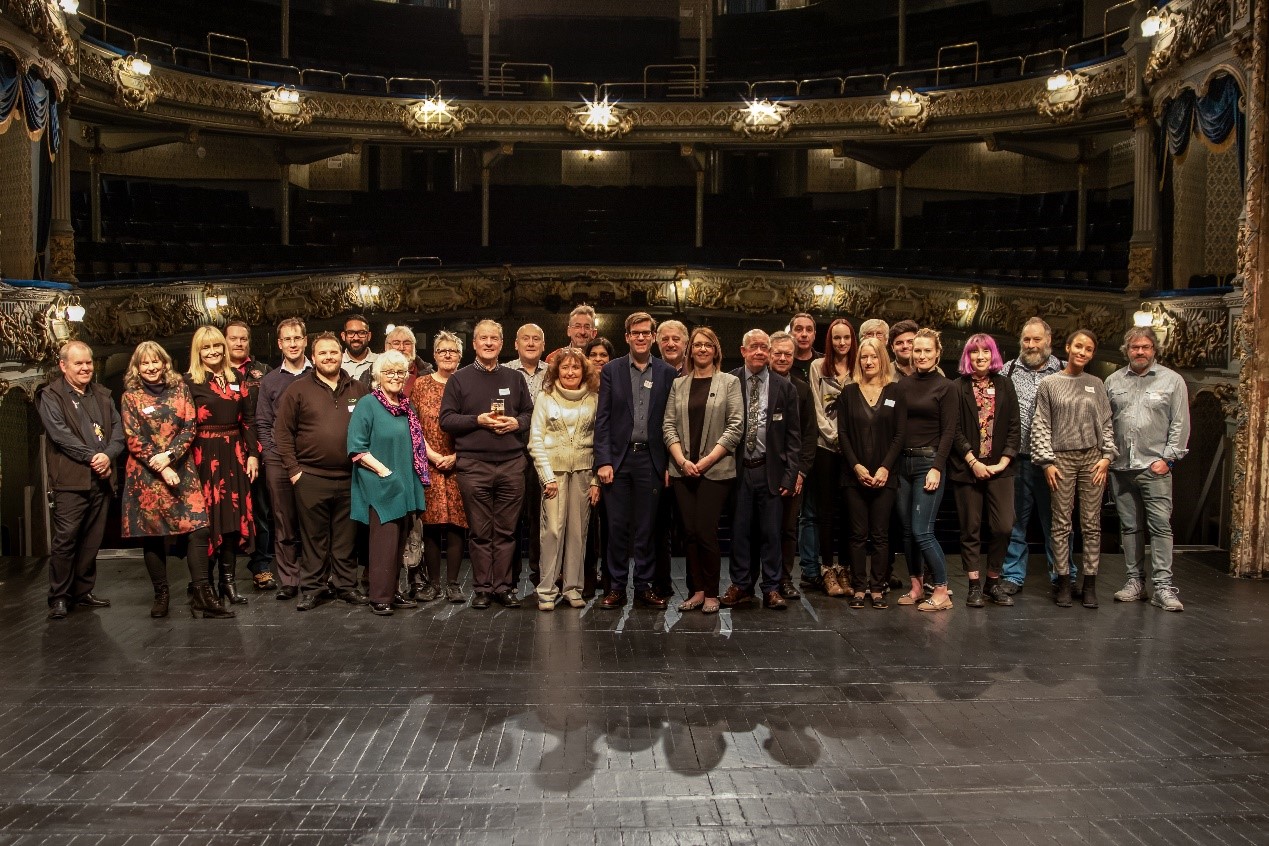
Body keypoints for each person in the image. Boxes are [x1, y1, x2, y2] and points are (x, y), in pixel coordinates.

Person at [119, 341, 223, 619]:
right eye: (145, 364)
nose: (151, 368)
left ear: (165, 363)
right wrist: (161, 465)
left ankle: (202, 593)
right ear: (137, 368)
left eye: (156, 362)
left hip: (180, 467)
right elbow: (133, 436)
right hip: (147, 474)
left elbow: (190, 427)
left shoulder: (180, 389)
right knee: (154, 535)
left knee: (198, 528)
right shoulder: (130, 396)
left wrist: (171, 456)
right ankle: (161, 594)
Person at [440, 319, 533, 609]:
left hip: (511, 464)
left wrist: (517, 422)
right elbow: (446, 420)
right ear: (475, 344)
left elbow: (531, 414)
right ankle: (482, 588)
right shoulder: (459, 379)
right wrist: (476, 420)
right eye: (483, 339)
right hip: (474, 466)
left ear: (502, 344)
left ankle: (503, 587)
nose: (489, 343)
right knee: (480, 532)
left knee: (506, 531)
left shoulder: (515, 378)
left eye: (494, 338)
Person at [274, 332, 371, 611]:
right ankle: (313, 588)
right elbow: (282, 433)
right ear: (313, 357)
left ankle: (345, 586)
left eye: (333, 352)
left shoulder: (358, 389)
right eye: (323, 353)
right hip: (310, 477)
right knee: (314, 537)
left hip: (351, 477)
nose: (329, 357)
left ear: (341, 355)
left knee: (346, 537)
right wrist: (294, 471)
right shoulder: (298, 389)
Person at [36, 340, 125, 620]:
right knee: (66, 540)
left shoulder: (102, 394)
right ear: (63, 366)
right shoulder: (50, 395)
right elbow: (60, 435)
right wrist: (93, 457)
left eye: (88, 362)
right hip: (71, 480)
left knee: (92, 538)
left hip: (102, 477)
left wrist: (107, 455)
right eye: (79, 363)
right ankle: (59, 597)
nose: (86, 368)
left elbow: (119, 432)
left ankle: (83, 591)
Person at [593, 312, 677, 610]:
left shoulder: (668, 373)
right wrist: (603, 461)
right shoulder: (611, 371)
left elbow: (672, 423)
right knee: (616, 528)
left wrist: (668, 464)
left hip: (651, 461)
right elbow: (601, 420)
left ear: (653, 336)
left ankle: (643, 586)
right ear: (627, 336)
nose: (641, 337)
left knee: (647, 528)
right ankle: (616, 587)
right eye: (635, 333)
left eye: (646, 333)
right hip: (618, 461)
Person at [1030, 328, 1117, 609]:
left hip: (1093, 458)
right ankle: (1063, 581)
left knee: (1091, 523)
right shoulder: (1050, 384)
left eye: (1088, 349)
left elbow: (1106, 422)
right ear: (1068, 347)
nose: (1082, 352)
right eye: (1078, 346)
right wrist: (1046, 461)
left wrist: (1106, 457)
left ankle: (1089, 583)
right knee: (1061, 524)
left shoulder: (1097, 383)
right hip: (1061, 459)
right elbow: (1041, 424)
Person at [1106, 327, 1191, 611]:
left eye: (1145, 347)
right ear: (1126, 350)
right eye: (1134, 347)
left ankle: (1164, 587)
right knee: (1130, 527)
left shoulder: (1172, 380)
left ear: (1154, 349)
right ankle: (1134, 582)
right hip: (1120, 467)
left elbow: (1179, 423)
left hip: (1154, 467)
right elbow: (1105, 423)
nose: (1139, 352)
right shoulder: (1113, 380)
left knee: (1160, 528)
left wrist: (1167, 459)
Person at [663, 327, 743, 614]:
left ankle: (712, 592)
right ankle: (696, 591)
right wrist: (681, 461)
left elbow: (735, 426)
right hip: (683, 469)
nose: (702, 349)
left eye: (707, 344)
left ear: (716, 349)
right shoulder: (679, 385)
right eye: (697, 345)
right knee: (690, 533)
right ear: (690, 350)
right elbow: (668, 425)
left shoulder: (730, 383)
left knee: (706, 531)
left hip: (716, 469)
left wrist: (707, 460)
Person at [723, 329, 801, 610]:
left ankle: (771, 588)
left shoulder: (784, 387)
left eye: (764, 348)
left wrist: (791, 475)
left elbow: (794, 437)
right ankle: (741, 585)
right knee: (740, 531)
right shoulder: (729, 381)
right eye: (753, 347)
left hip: (771, 471)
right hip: (738, 470)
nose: (759, 352)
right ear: (743, 351)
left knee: (771, 533)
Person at [349, 351, 430, 616]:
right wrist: (385, 473)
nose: (396, 377)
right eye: (390, 372)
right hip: (381, 483)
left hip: (405, 483)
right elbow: (356, 448)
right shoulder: (367, 405)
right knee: (384, 543)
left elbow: (417, 443)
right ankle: (379, 596)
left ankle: (393, 591)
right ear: (378, 376)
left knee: (399, 543)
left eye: (400, 372)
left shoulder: (407, 406)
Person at [186, 325, 259, 606]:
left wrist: (253, 454)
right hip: (203, 456)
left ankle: (227, 583)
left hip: (235, 455)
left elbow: (249, 420)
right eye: (206, 347)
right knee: (207, 523)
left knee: (231, 520)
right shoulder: (189, 381)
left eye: (217, 345)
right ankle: (202, 586)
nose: (213, 351)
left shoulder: (237, 377)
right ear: (198, 351)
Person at [949, 334, 1020, 608]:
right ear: (968, 357)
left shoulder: (1005, 385)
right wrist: (972, 461)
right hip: (967, 469)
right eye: (975, 352)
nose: (980, 357)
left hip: (1001, 468)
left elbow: (1014, 427)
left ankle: (993, 581)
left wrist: (1003, 462)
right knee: (971, 528)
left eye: (985, 352)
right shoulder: (957, 387)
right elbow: (953, 429)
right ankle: (974, 585)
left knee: (1003, 526)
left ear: (993, 356)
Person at [529, 348, 601, 611]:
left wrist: (596, 480)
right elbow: (535, 440)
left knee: (578, 533)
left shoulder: (594, 398)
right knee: (552, 531)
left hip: (583, 473)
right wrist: (547, 477)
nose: (570, 372)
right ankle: (547, 590)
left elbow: (600, 442)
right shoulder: (545, 398)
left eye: (576, 368)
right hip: (554, 475)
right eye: (565, 368)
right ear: (556, 371)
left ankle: (573, 588)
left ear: (584, 371)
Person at [837, 337, 905, 609]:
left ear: (882, 360)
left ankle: (877, 588)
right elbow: (842, 434)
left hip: (885, 474)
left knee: (880, 534)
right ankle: (859, 587)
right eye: (864, 357)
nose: (868, 361)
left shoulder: (895, 392)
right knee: (857, 534)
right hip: (854, 475)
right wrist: (856, 466)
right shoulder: (848, 392)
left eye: (873, 356)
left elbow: (900, 435)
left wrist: (885, 467)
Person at [1000, 317, 1066, 594]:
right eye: (1026, 340)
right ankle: (1012, 575)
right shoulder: (1008, 370)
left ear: (1048, 341)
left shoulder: (1064, 370)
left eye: (1036, 339)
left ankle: (1062, 575)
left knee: (1057, 521)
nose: (1031, 345)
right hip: (1019, 459)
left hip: (1054, 461)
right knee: (1015, 521)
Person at [892, 328, 956, 612]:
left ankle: (942, 590)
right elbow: (899, 428)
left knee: (922, 531)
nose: (921, 355)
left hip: (928, 464)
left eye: (927, 351)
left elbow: (949, 432)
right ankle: (916, 586)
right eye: (917, 350)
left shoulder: (947, 387)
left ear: (937, 353)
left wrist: (936, 468)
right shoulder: (903, 386)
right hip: (903, 463)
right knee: (907, 532)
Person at [409, 331, 468, 604]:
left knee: (457, 524)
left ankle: (454, 584)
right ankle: (433, 584)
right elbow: (413, 424)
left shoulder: (467, 383)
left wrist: (455, 456)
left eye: (453, 351)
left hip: (460, 462)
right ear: (434, 355)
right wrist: (431, 454)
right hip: (429, 463)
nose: (447, 355)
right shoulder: (420, 385)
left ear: (460, 356)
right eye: (442, 350)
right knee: (431, 525)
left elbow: (473, 425)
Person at [255, 318, 311, 601]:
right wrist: (271, 453)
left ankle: (316, 578)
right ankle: (289, 579)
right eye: (287, 339)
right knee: (283, 521)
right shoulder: (270, 381)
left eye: (297, 338)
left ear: (305, 340)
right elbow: (263, 423)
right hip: (278, 461)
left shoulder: (318, 375)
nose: (292, 344)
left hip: (313, 460)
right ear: (280, 344)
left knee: (314, 522)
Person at [807, 317, 857, 596]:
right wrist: (835, 438)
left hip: (853, 452)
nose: (841, 343)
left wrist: (849, 443)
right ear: (829, 340)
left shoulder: (860, 366)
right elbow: (816, 406)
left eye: (846, 338)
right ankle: (827, 570)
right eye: (836, 338)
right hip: (826, 448)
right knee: (825, 512)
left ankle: (846, 570)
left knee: (850, 513)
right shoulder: (817, 367)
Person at [225, 320, 275, 592]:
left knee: (260, 511)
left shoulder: (263, 373)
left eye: (243, 339)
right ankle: (220, 570)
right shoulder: (213, 372)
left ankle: (261, 566)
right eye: (233, 338)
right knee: (225, 511)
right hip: (225, 452)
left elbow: (264, 416)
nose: (239, 343)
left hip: (258, 452)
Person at [768, 331, 816, 600]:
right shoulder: (756, 385)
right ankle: (756, 582)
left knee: (787, 528)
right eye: (778, 353)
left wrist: (800, 472)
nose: (783, 358)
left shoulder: (802, 389)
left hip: (791, 471)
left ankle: (785, 579)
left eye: (788, 353)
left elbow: (810, 435)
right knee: (760, 528)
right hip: (760, 469)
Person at [506, 323, 547, 590]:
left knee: (539, 517)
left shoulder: (553, 372)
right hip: (511, 450)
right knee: (510, 518)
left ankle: (538, 576)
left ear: (543, 346)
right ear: (516, 344)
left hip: (543, 455)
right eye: (525, 339)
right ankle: (508, 579)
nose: (531, 344)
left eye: (536, 340)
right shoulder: (504, 372)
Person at [653, 318, 690, 598]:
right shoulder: (652, 373)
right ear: (657, 341)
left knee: (695, 531)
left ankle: (698, 588)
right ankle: (662, 586)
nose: (670, 343)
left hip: (697, 465)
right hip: (661, 464)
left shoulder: (702, 372)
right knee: (659, 529)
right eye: (665, 339)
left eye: (676, 338)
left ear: (685, 342)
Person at [788, 312, 822, 592]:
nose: (803, 334)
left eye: (808, 329)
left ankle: (814, 570)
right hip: (788, 452)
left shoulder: (823, 363)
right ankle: (800, 570)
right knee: (795, 516)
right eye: (797, 329)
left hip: (819, 447)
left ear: (813, 334)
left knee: (812, 513)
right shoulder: (782, 361)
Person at [582, 337, 615, 596]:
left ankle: (610, 577)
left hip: (610, 464)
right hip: (583, 465)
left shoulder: (616, 384)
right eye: (594, 353)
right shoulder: (579, 386)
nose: (599, 358)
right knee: (588, 527)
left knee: (611, 526)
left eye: (604, 354)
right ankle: (587, 578)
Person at [340, 314, 378, 381]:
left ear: (369, 336)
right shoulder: (336, 363)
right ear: (343, 336)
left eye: (362, 333)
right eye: (350, 333)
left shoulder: (380, 361)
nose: (356, 338)